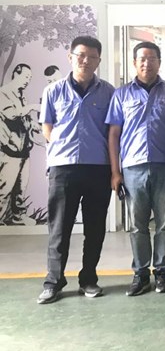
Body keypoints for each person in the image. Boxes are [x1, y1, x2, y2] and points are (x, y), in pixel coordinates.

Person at [36, 36, 115, 304]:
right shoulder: (54, 91)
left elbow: (112, 131)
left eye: (92, 57)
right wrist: (61, 146)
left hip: (98, 167)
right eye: (80, 55)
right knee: (60, 228)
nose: (85, 61)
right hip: (63, 168)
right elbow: (47, 126)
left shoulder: (108, 92)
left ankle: (89, 279)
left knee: (95, 228)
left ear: (98, 61)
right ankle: (53, 282)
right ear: (70, 57)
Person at [106, 41, 165, 296]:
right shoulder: (121, 95)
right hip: (133, 169)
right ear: (134, 62)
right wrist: (115, 172)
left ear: (159, 62)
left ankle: (161, 272)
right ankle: (140, 273)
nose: (146, 63)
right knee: (138, 225)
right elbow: (113, 134)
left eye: (151, 59)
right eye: (142, 59)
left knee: (164, 223)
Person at [0, 64, 40, 225]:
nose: (27, 81)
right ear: (16, 74)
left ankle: (18, 216)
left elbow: (25, 120)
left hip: (24, 148)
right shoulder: (3, 93)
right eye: (25, 77)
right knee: (4, 188)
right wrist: (33, 107)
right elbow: (11, 115)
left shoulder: (21, 95)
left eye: (29, 78)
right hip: (10, 149)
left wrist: (37, 127)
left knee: (20, 188)